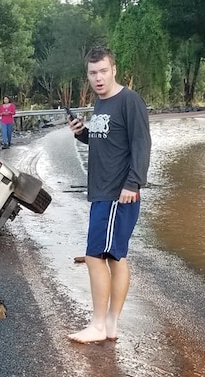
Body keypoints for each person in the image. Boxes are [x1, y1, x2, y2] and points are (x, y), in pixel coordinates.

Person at [66, 46, 151, 344]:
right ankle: (111, 324)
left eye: (103, 71)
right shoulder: (101, 104)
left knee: (94, 256)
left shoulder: (129, 101)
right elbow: (105, 141)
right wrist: (81, 133)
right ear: (87, 75)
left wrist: (134, 183)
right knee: (116, 257)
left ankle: (99, 325)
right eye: (93, 73)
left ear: (114, 69)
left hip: (117, 193)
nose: (98, 78)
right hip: (103, 192)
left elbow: (142, 144)